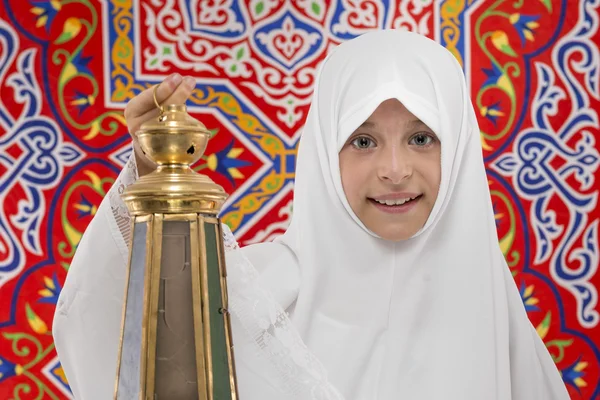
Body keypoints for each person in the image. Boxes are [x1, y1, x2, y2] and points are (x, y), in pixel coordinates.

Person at [52, 30, 570, 399]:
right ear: (322, 154)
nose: (394, 170)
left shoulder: (500, 328)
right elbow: (114, 330)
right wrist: (152, 171)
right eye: (362, 140)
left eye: (421, 138)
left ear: (459, 151)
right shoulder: (245, 295)